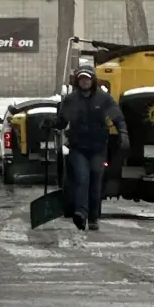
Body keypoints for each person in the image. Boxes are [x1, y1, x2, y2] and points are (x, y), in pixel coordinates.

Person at [55, 66, 129, 232]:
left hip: (98, 149)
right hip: (78, 148)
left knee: (95, 182)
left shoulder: (104, 99)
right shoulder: (71, 100)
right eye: (81, 79)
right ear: (77, 81)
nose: (84, 82)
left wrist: (123, 134)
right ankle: (81, 214)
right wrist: (51, 124)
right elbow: (62, 121)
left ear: (93, 81)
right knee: (82, 178)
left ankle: (93, 217)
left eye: (87, 79)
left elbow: (118, 118)